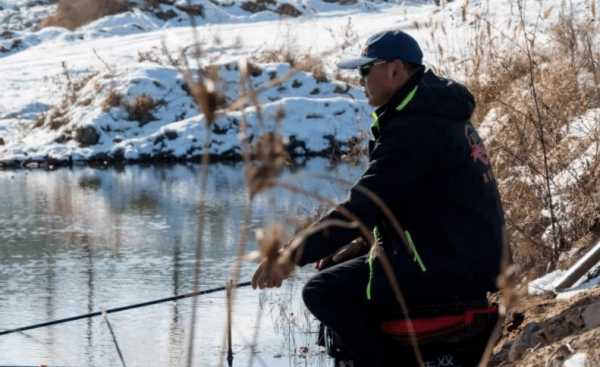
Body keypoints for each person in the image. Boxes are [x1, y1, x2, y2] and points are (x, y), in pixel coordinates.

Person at [252, 29, 505, 367]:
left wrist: (288, 257)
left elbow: (364, 206)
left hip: (449, 266)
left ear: (395, 69)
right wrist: (358, 245)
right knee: (339, 269)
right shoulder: (433, 110)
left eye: (365, 70)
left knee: (321, 291)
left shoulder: (416, 127)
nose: (360, 80)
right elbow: (405, 203)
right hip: (461, 255)